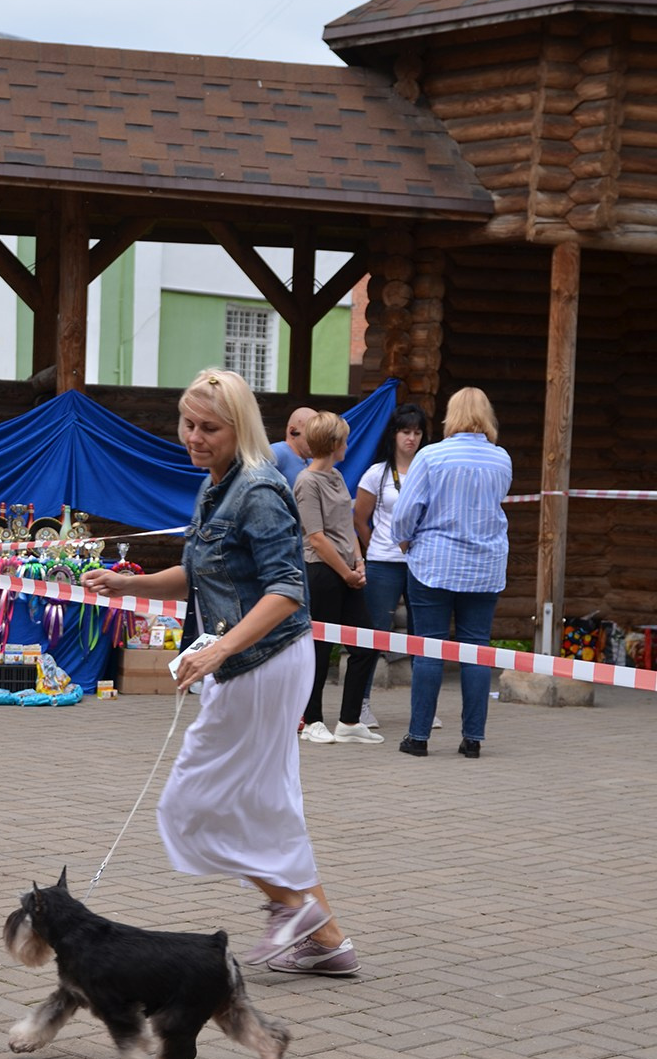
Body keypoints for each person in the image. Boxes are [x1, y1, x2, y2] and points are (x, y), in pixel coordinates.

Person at [83, 369, 359, 976]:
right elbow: (203, 572)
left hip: (265, 661)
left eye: (209, 427)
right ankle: (328, 942)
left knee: (191, 805)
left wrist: (219, 650)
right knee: (266, 804)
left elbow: (288, 589)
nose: (194, 437)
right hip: (250, 660)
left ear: (241, 428)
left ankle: (295, 910)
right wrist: (132, 583)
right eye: (188, 424)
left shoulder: (259, 489)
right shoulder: (216, 486)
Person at [390, 386, 513, 758]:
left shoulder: (432, 456)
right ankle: (473, 739)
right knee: (476, 648)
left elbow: (405, 511)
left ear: (451, 415)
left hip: (435, 564)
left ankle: (418, 738)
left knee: (429, 648)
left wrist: (404, 541)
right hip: (485, 565)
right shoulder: (501, 459)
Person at [294, 410, 383, 746]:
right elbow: (315, 536)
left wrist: (359, 563)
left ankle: (349, 720)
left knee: (366, 643)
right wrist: (345, 572)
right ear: (333, 443)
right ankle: (311, 719)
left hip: (347, 573)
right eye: (344, 438)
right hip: (322, 573)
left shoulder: (335, 477)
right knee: (320, 648)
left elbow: (346, 526)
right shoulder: (306, 482)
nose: (348, 443)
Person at [352, 402, 441, 731]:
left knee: (424, 634)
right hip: (384, 563)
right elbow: (359, 519)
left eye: (417, 432)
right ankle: (359, 704)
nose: (411, 438)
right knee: (375, 630)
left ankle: (425, 709)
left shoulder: (431, 470)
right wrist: (376, 544)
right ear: (393, 435)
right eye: (405, 431)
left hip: (422, 562)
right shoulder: (377, 473)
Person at [270, 406, 314, 489]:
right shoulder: (276, 453)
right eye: (312, 434)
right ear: (292, 431)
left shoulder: (312, 462)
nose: (317, 440)